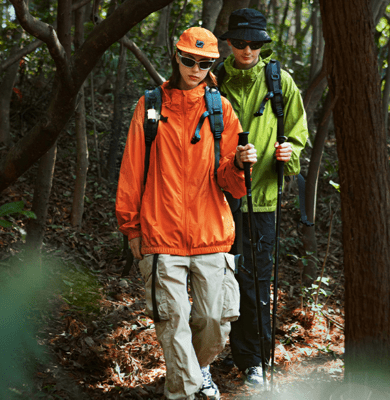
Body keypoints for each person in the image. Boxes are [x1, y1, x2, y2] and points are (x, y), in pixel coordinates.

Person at [116, 27, 257, 400]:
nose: (195, 68)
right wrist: (132, 229)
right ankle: (186, 391)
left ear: (213, 63)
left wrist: (242, 165)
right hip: (160, 235)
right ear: (176, 57)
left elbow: (233, 184)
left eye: (205, 62)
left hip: (211, 234)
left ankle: (198, 369)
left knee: (214, 323)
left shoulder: (219, 108)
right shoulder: (149, 106)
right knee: (173, 324)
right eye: (189, 60)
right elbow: (132, 171)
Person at [217, 8, 309, 386]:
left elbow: (299, 134)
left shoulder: (279, 81)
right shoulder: (213, 79)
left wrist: (290, 155)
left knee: (254, 281)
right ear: (229, 44)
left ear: (263, 44)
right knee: (220, 280)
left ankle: (253, 359)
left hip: (262, 199)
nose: (247, 49)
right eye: (240, 42)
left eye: (255, 43)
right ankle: (219, 353)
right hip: (217, 197)